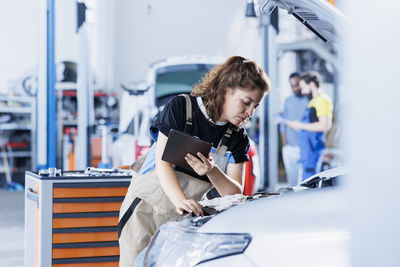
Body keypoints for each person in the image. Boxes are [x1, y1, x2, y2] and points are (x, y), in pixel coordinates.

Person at [118, 56, 271, 266]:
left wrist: (212, 171)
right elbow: (163, 164)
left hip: (181, 221)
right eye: (246, 102)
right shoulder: (182, 108)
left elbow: (235, 193)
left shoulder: (237, 137)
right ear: (226, 90)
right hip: (145, 210)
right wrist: (181, 201)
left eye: (255, 105)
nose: (250, 112)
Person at [285, 71, 333, 180]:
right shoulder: (314, 101)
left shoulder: (322, 100)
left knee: (310, 182)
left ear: (311, 84)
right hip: (307, 151)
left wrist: (300, 125)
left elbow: (325, 125)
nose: (302, 91)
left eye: (303, 87)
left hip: (313, 149)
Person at [280, 72, 309, 186]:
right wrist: (285, 145)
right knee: (291, 182)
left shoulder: (309, 100)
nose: (294, 88)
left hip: (304, 147)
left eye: (296, 85)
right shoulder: (288, 101)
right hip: (289, 147)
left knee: (304, 182)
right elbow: (283, 124)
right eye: (292, 86)